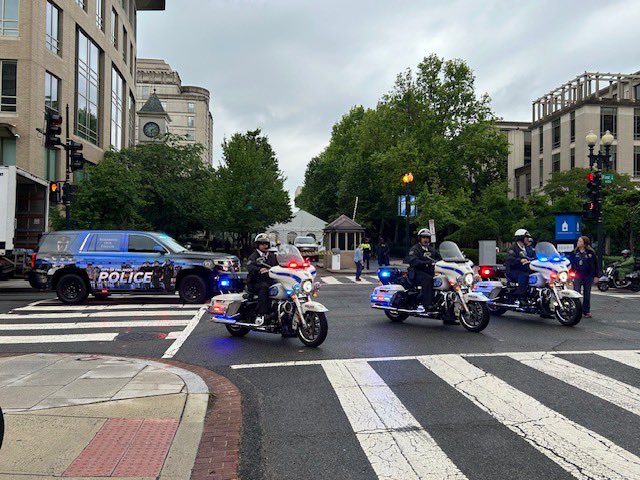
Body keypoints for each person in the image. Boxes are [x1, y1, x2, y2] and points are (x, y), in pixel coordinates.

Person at [246, 233, 278, 325]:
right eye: (262, 243)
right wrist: (259, 270)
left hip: (270, 281)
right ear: (257, 245)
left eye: (266, 243)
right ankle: (263, 314)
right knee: (264, 287)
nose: (265, 245)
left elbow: (278, 265)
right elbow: (250, 267)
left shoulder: (272, 256)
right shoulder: (253, 256)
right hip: (255, 282)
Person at [407, 228, 442, 313]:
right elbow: (413, 261)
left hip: (430, 272)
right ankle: (427, 305)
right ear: (420, 238)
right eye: (423, 237)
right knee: (428, 279)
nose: (425, 239)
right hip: (417, 273)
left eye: (427, 237)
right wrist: (427, 263)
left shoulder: (432, 250)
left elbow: (440, 258)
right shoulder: (415, 249)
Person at [505, 229, 536, 304]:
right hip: (514, 270)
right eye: (526, 237)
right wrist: (520, 260)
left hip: (526, 269)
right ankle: (520, 296)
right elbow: (510, 259)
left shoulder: (529, 248)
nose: (527, 239)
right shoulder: (513, 248)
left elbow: (535, 255)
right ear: (520, 238)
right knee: (524, 276)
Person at [570, 236, 597, 318]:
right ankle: (575, 310)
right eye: (578, 241)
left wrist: (596, 275)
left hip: (588, 275)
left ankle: (586, 311)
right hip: (578, 275)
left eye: (580, 241)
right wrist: (570, 274)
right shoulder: (574, 252)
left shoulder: (590, 253)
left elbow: (595, 265)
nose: (578, 243)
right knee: (576, 292)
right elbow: (571, 264)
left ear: (584, 243)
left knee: (587, 293)